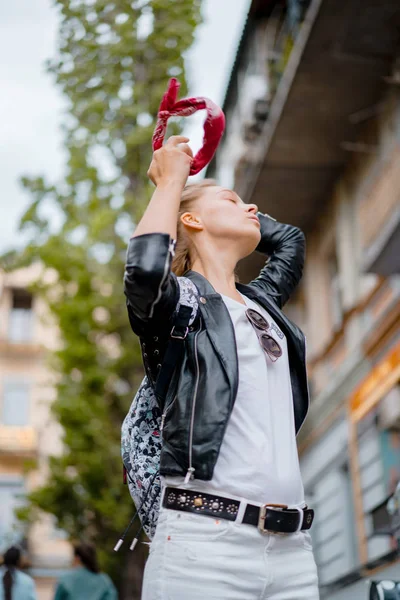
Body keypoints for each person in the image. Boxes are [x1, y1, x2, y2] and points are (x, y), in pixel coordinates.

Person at [124, 135, 319, 599]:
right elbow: (146, 274)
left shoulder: (263, 304)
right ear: (191, 220)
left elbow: (290, 241)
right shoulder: (181, 306)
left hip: (293, 552)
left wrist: (234, 213)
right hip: (204, 547)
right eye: (233, 201)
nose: (252, 208)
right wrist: (172, 184)